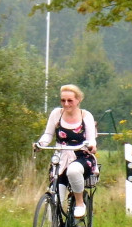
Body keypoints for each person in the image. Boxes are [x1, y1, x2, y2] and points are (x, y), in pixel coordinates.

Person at [36, 84, 98, 218]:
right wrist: (40, 144)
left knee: (73, 171)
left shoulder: (86, 116)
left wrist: (91, 146)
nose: (66, 104)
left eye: (70, 100)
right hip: (61, 158)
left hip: (81, 156)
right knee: (55, 197)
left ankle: (80, 203)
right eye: (63, 100)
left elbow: (91, 139)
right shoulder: (56, 114)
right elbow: (48, 134)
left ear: (78, 100)